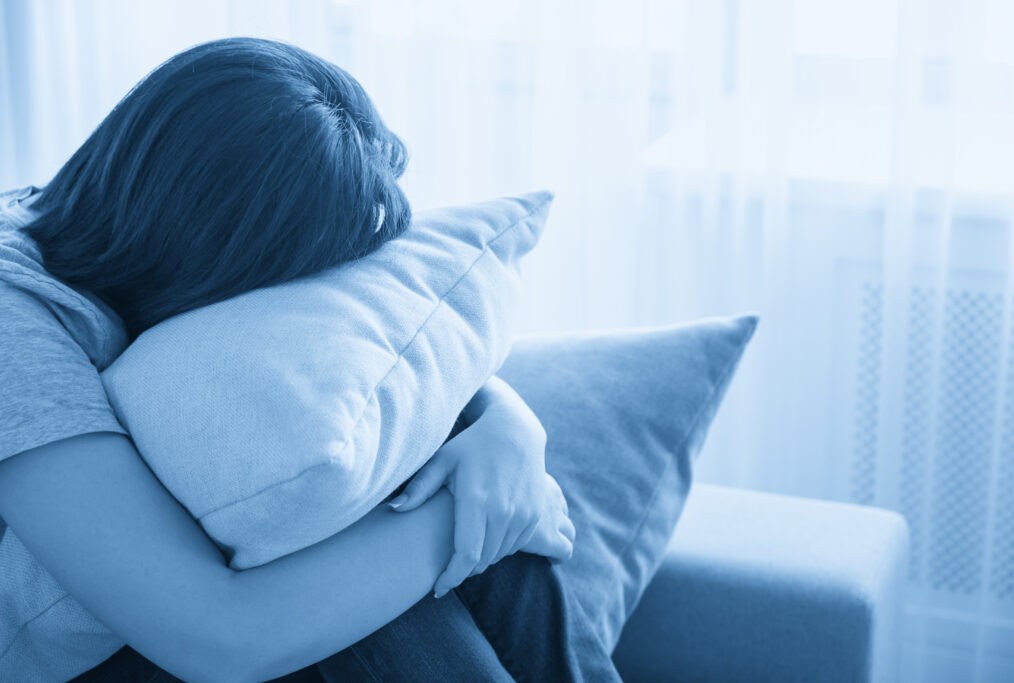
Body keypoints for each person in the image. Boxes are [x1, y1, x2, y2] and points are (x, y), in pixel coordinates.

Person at [0, 38, 621, 681]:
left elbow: (369, 356)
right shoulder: (13, 329)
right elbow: (216, 638)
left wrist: (510, 431)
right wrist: (470, 520)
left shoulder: (105, 223)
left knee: (433, 466)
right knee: (371, 574)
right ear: (228, 252)